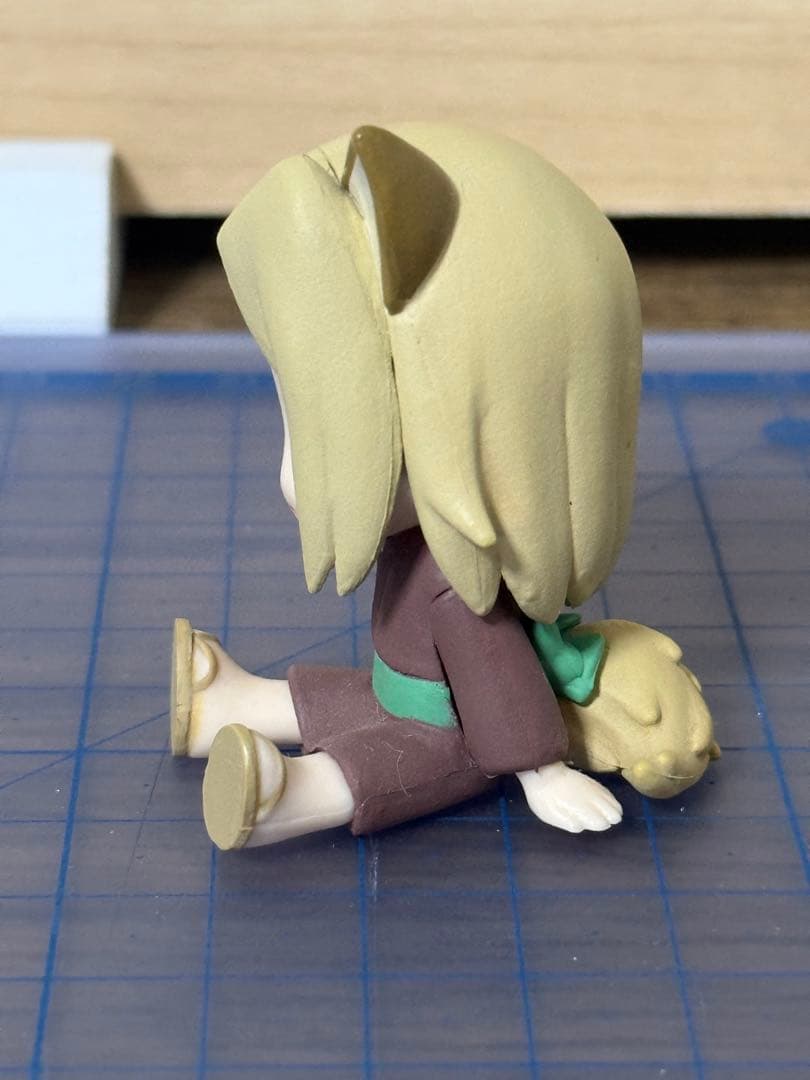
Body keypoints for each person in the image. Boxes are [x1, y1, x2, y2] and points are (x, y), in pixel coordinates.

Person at [171, 122, 644, 850]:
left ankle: (293, 795)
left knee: (410, 754)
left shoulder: (464, 593)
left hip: (452, 729)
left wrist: (541, 771)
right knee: (370, 701)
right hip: (403, 686)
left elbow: (498, 692)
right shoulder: (432, 551)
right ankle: (234, 704)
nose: (294, 478)